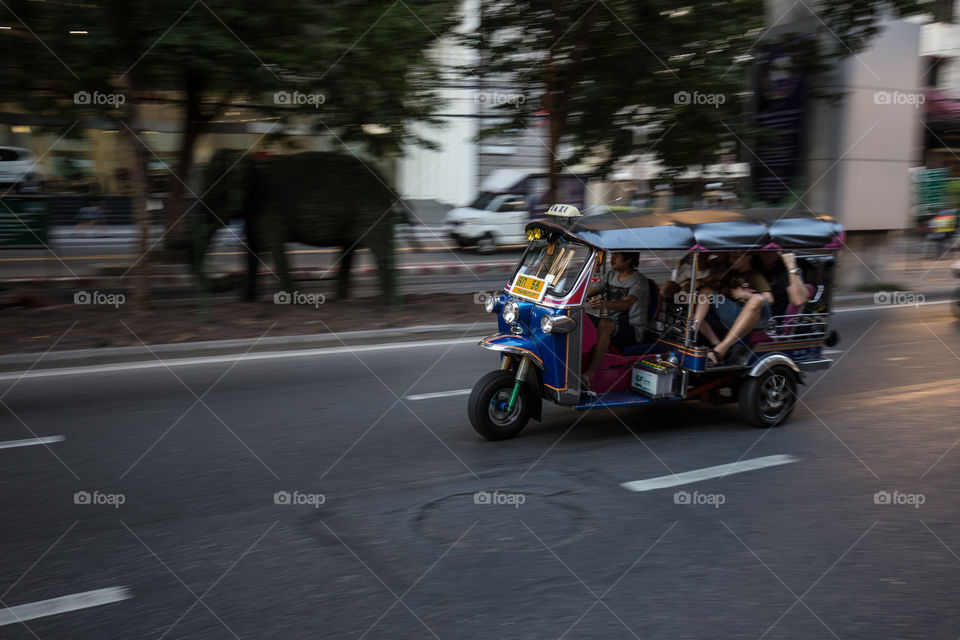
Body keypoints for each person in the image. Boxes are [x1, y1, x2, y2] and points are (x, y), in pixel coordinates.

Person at [582, 252, 649, 389]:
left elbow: (626, 303)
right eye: (612, 255)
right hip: (611, 324)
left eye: (616, 256)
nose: (612, 259)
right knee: (581, 317)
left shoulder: (639, 282)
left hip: (632, 329)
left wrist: (603, 304)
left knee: (605, 324)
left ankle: (590, 374)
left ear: (629, 259)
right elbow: (589, 292)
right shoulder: (610, 275)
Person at [692, 251, 773, 366]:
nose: (732, 260)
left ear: (748, 258)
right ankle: (711, 340)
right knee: (699, 296)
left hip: (750, 315)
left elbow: (768, 299)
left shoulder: (754, 275)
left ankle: (720, 349)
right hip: (729, 313)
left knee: (757, 299)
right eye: (731, 257)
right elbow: (711, 280)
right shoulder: (730, 273)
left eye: (736, 257)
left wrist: (744, 295)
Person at [755, 251, 808, 316]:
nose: (766, 254)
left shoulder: (786, 269)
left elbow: (799, 300)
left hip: (774, 319)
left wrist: (791, 267)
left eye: (771, 249)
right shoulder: (751, 268)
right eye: (762, 251)